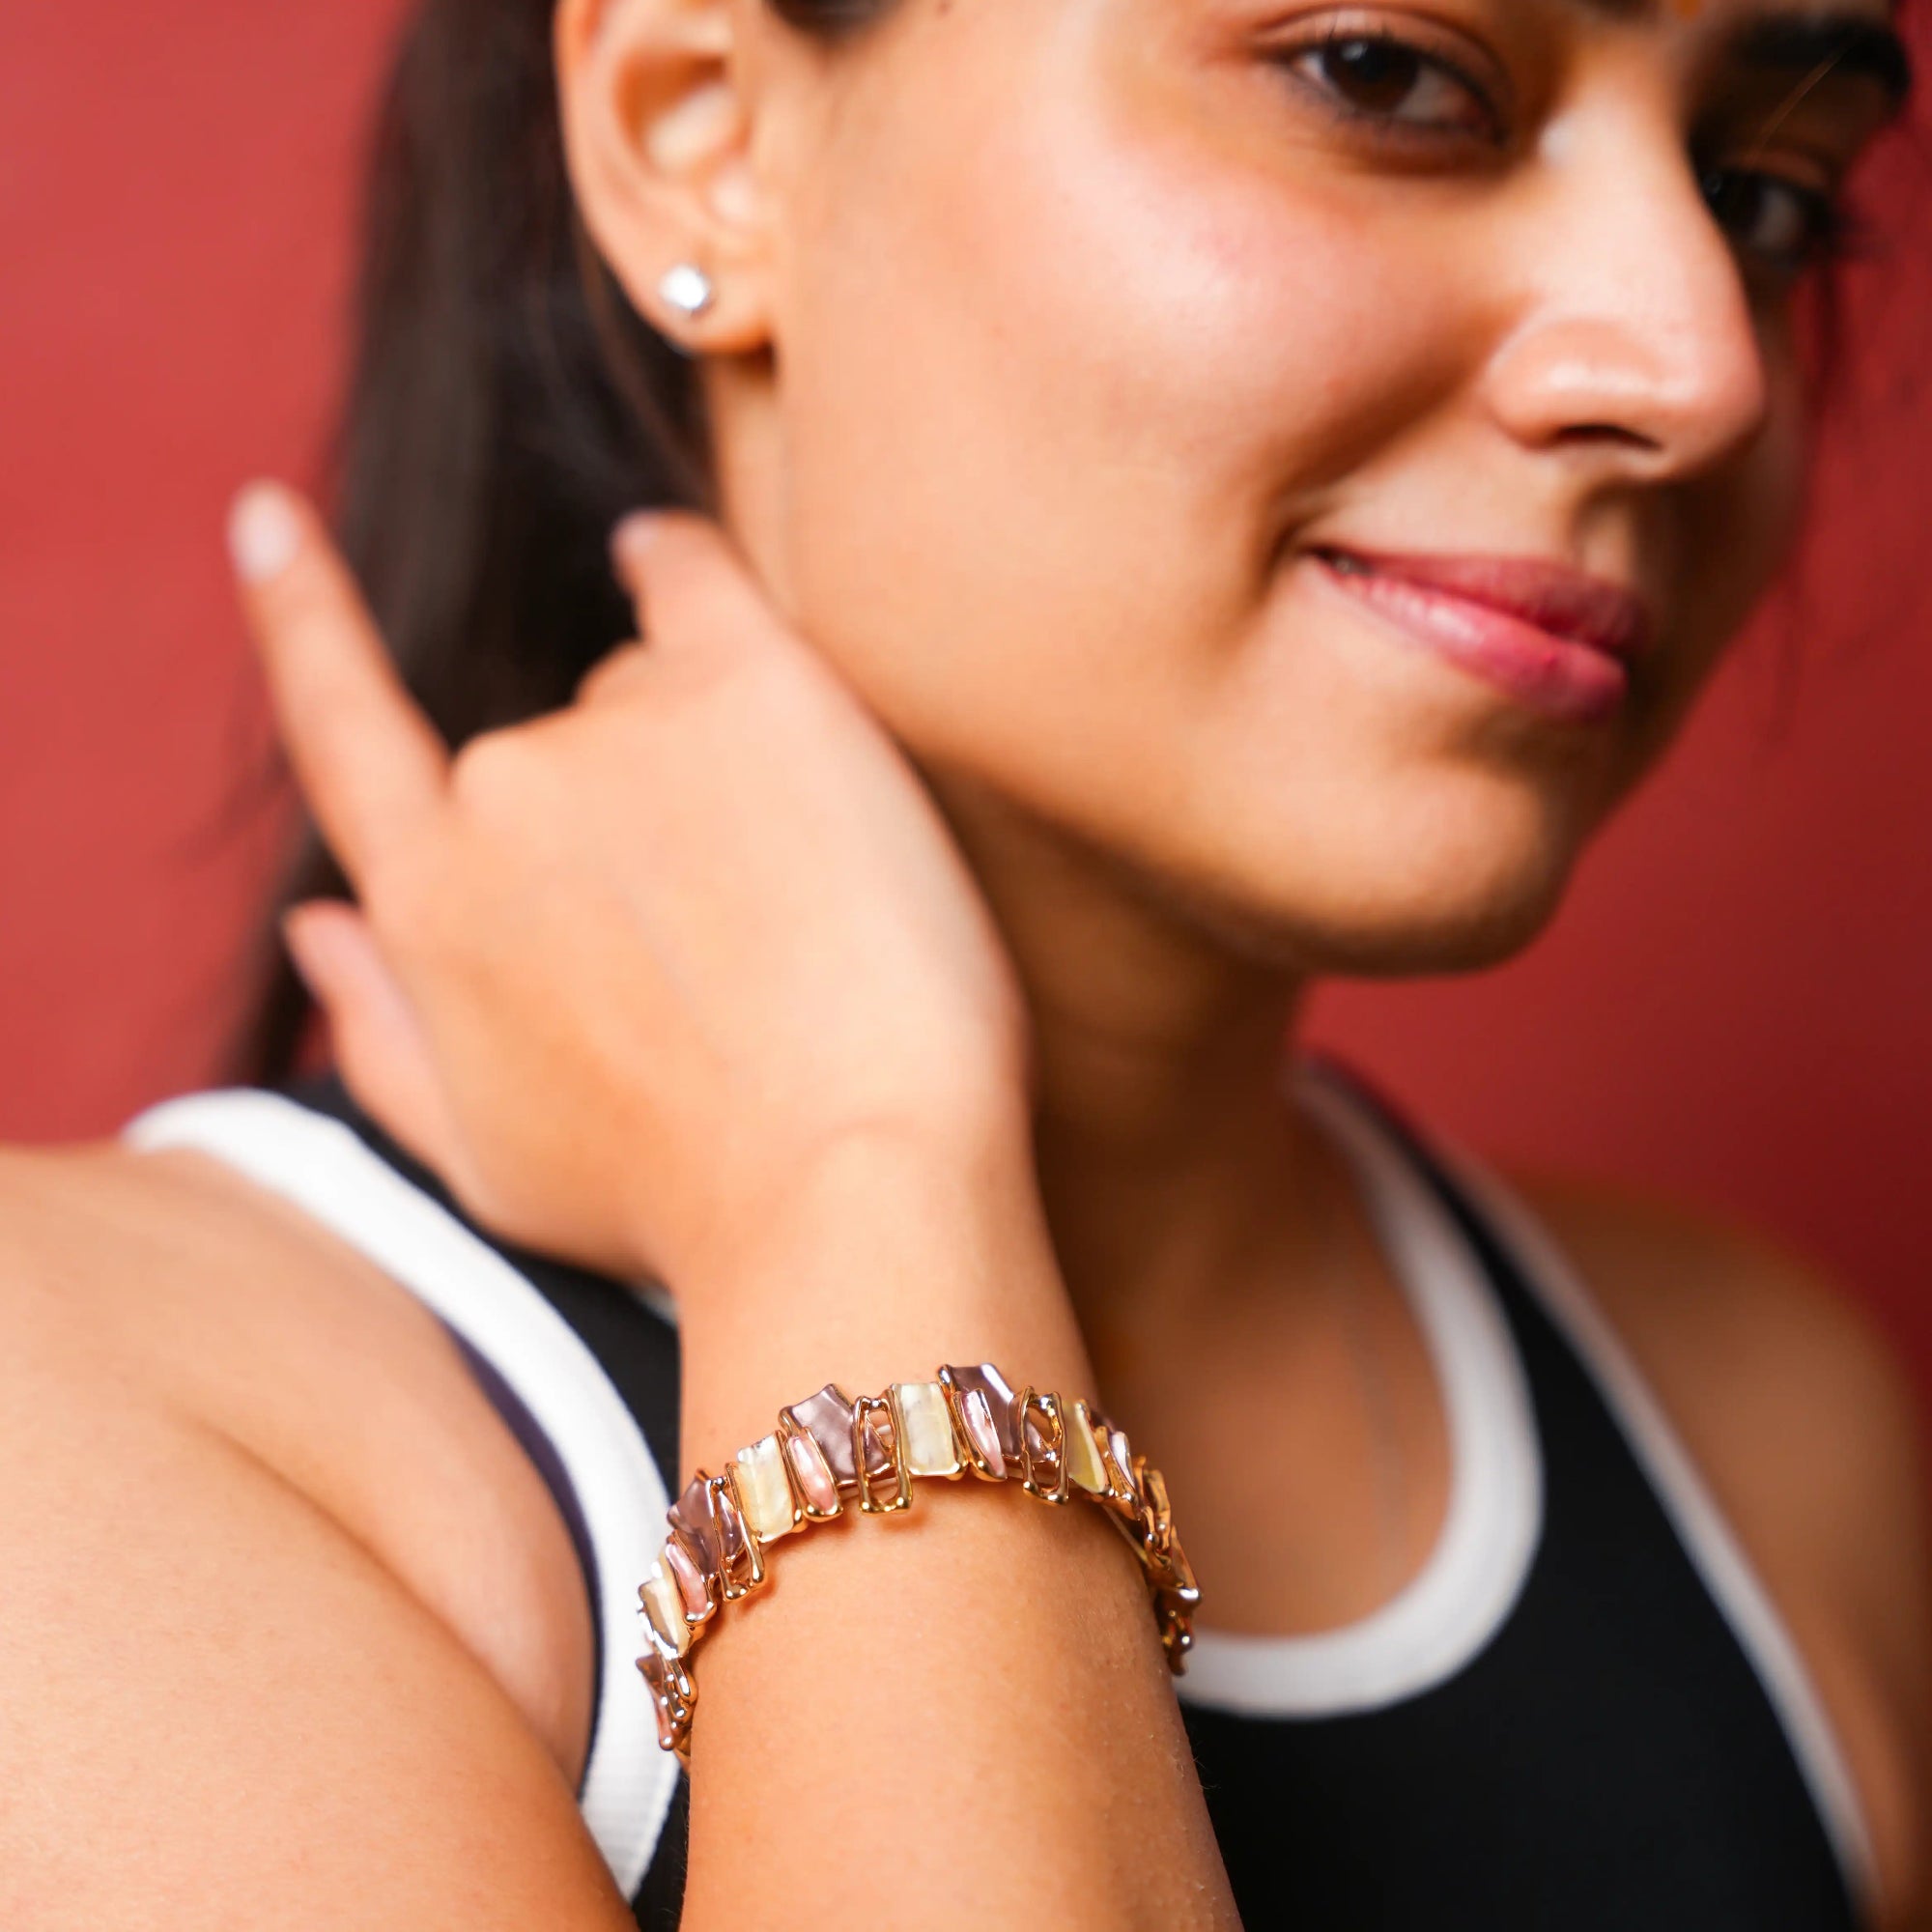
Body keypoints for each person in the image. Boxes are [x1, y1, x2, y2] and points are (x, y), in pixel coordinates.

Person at [2, 0, 1925, 1924]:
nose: (1698, 368)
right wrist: (851, 1172)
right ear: (706, 131)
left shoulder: (1766, 1440)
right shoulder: (84, 1451)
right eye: (1386, 77)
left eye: (1763, 199)